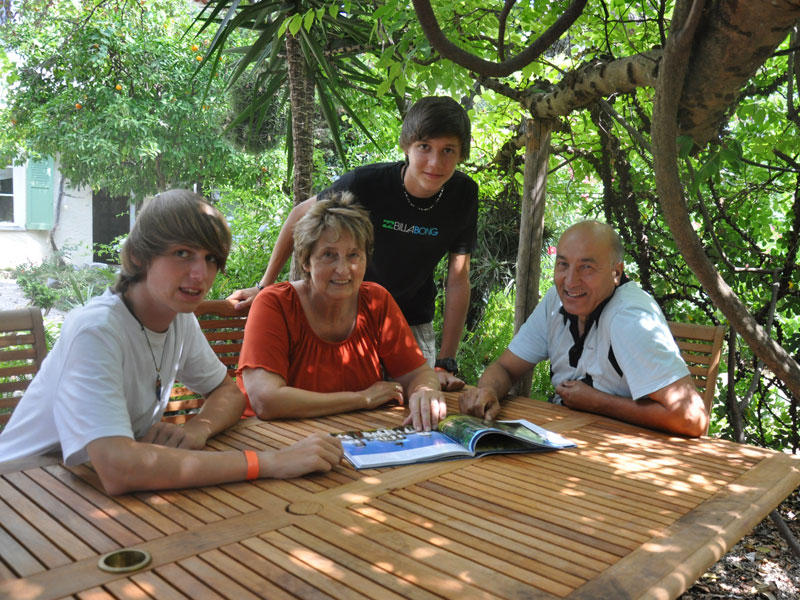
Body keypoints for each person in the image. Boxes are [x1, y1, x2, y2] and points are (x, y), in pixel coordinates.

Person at [0, 190, 342, 495]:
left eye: (211, 259)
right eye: (182, 253)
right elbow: (120, 468)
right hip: (22, 490)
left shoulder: (178, 317)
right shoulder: (97, 329)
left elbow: (228, 393)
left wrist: (200, 428)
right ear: (138, 257)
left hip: (77, 487)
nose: (200, 274)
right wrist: (268, 462)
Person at [228, 96, 478, 391]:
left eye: (448, 150)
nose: (435, 162)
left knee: (418, 411)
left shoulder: (462, 194)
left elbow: (458, 278)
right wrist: (264, 286)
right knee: (351, 408)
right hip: (353, 320)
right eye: (425, 147)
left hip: (411, 323)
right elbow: (299, 216)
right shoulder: (367, 183)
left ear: (461, 154)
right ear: (406, 146)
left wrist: (445, 362)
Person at [459, 220, 709, 437]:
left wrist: (599, 403)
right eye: (563, 265)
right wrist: (488, 391)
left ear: (616, 272)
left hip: (630, 458)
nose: (570, 281)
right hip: (570, 439)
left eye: (586, 267)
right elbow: (505, 367)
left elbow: (692, 418)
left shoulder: (630, 318)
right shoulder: (555, 301)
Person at [237, 192, 447, 431]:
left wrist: (425, 391)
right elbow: (266, 401)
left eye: (353, 255)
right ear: (306, 261)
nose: (343, 269)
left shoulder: (376, 301)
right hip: (267, 441)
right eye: (329, 255)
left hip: (347, 437)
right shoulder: (275, 304)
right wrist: (362, 399)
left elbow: (418, 373)